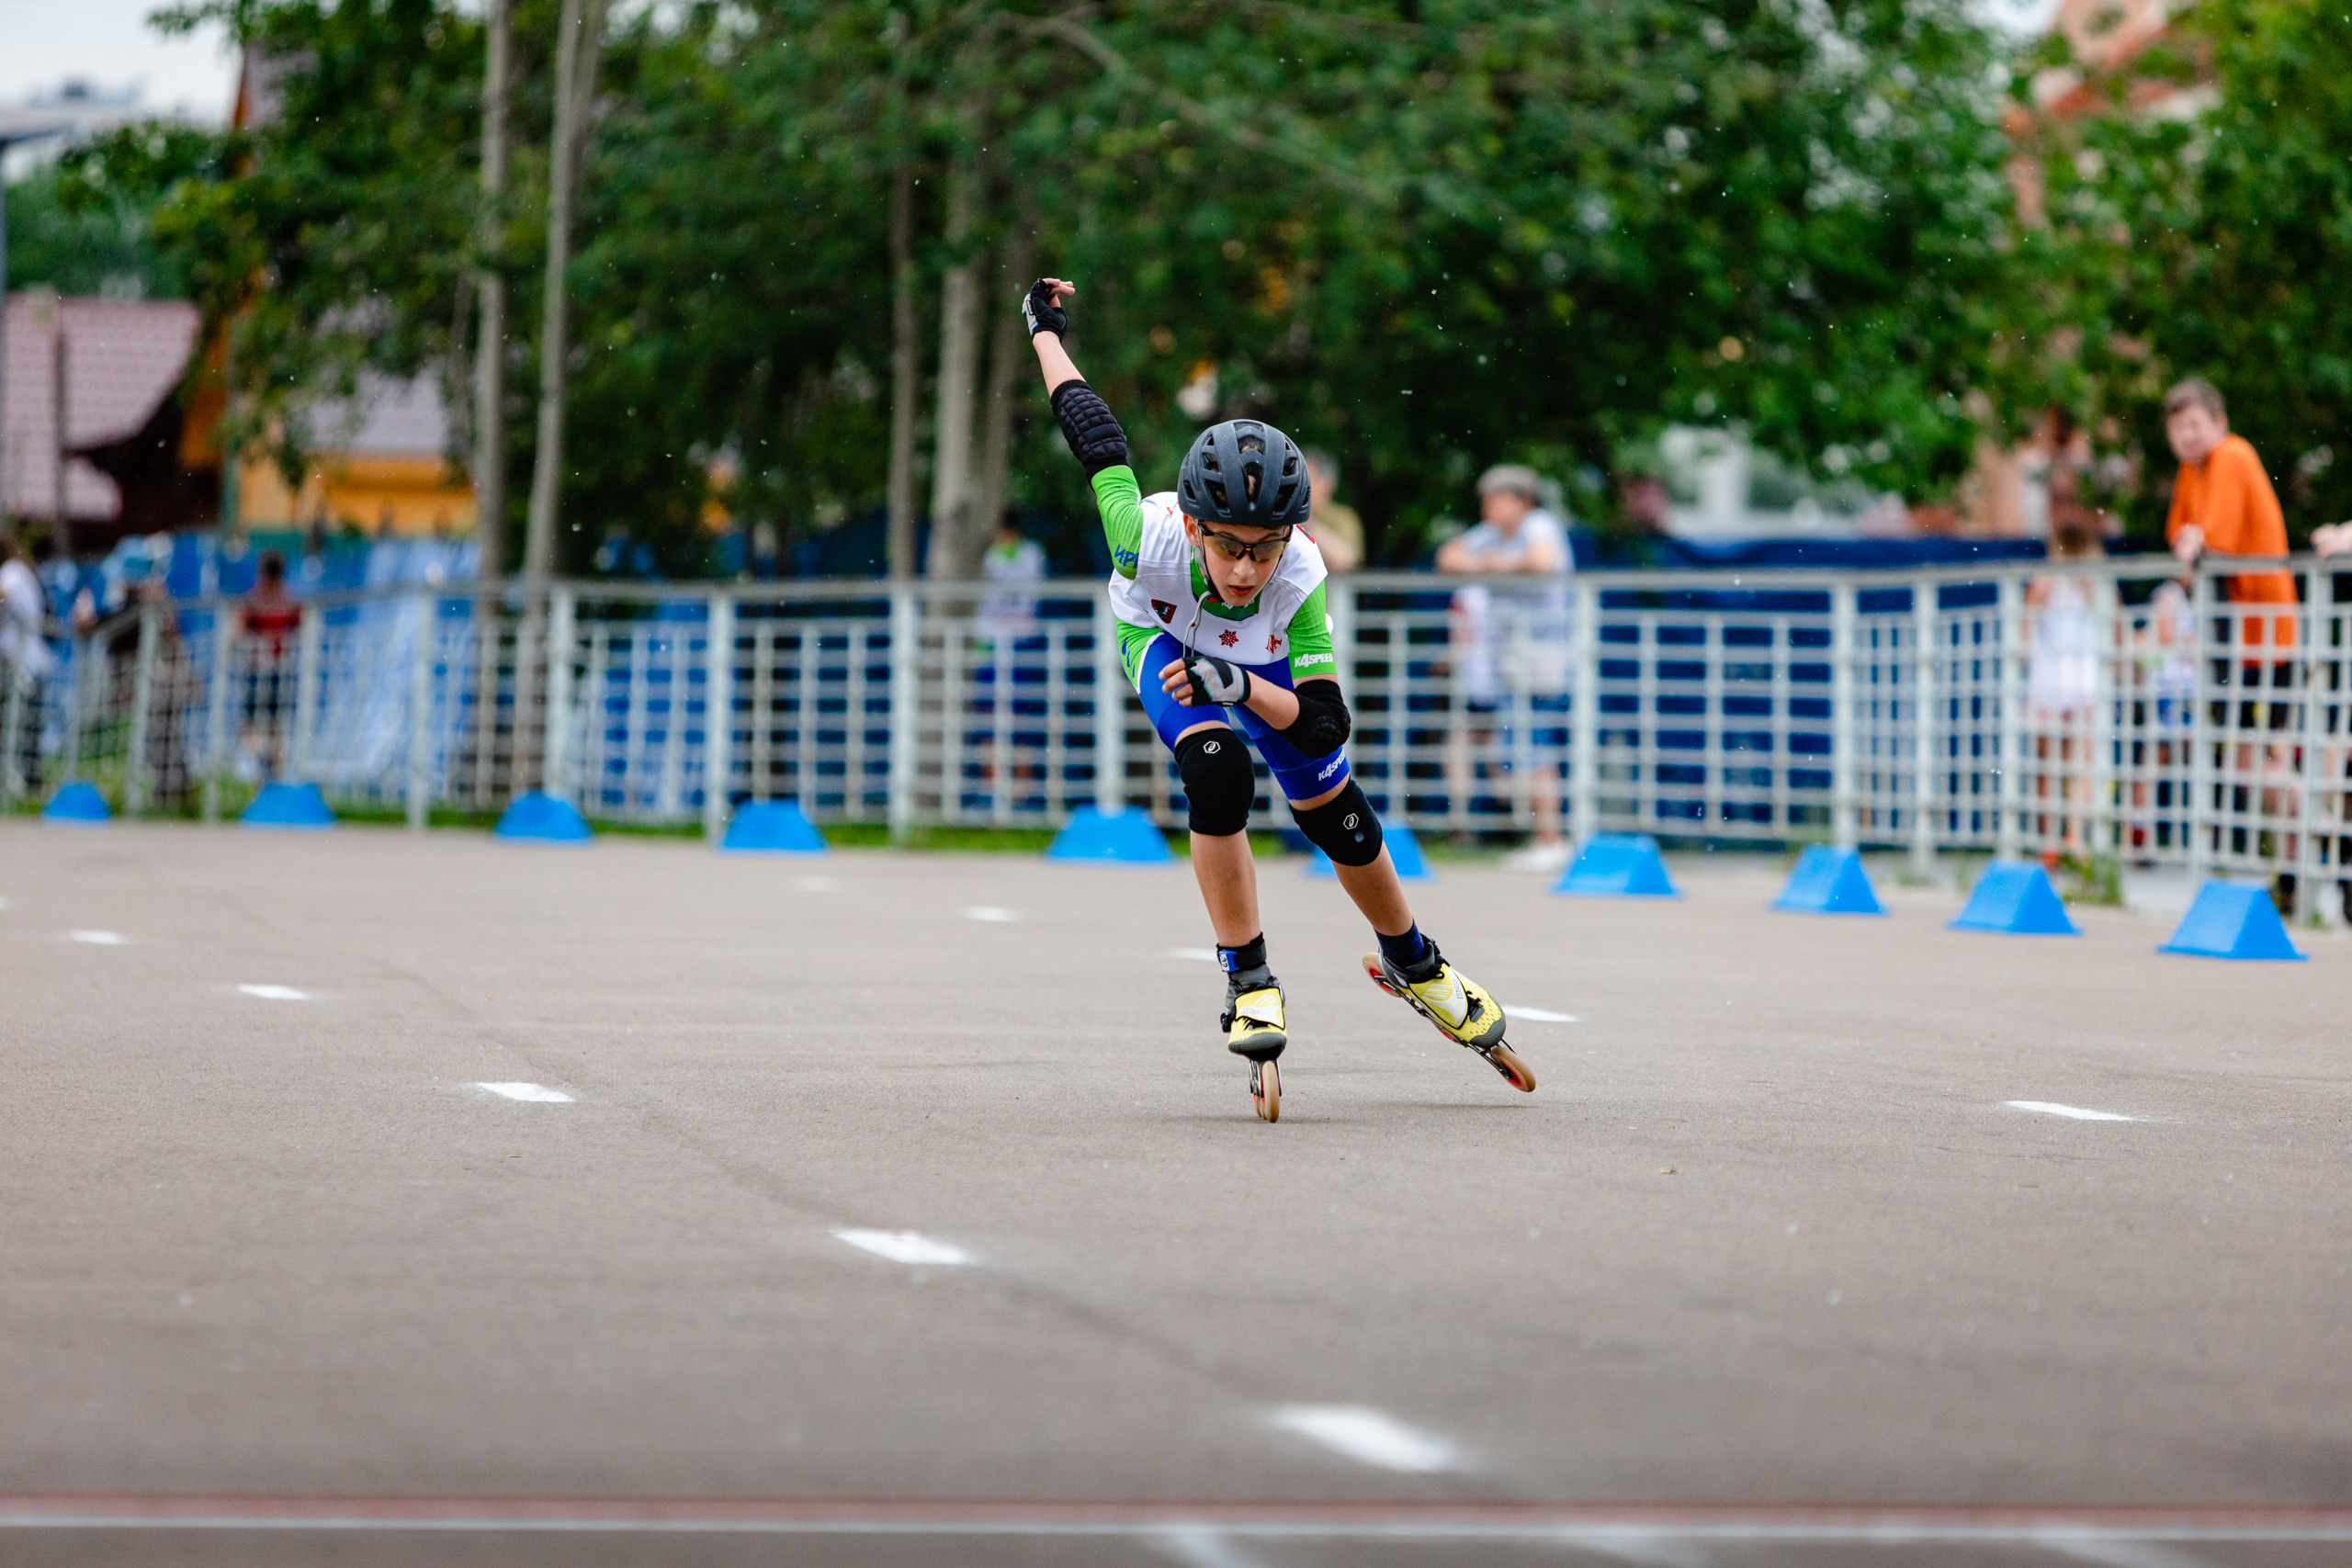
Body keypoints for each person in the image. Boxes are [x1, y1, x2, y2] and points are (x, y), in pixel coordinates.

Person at [1022, 276, 1533, 1121]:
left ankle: (1414, 960)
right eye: (1228, 546)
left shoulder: (1298, 578)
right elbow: (1092, 432)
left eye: (1266, 548)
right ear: (1192, 526)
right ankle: (1247, 976)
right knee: (1219, 774)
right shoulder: (1140, 536)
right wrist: (1045, 330)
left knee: (1333, 805)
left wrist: (1242, 684)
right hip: (1160, 638)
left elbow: (1329, 718)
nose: (1246, 568)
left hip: (1252, 664)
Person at [1435, 463, 1574, 872]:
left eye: (1496, 499)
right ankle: (1542, 836)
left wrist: (1492, 566)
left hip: (1540, 659)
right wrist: (1494, 564)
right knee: (1516, 747)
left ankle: (1550, 838)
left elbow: (1541, 562)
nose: (1488, 508)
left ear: (1521, 501)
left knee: (1535, 746)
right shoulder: (1492, 536)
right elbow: (1448, 557)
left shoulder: (1541, 526)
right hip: (1509, 663)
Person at [241, 550, 303, 780]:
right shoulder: (290, 601)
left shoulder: (254, 600)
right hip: (280, 669)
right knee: (275, 726)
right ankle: (272, 771)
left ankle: (263, 759)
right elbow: (302, 627)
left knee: (248, 726)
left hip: (258, 669)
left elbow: (238, 628)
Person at [1301, 450, 1363, 572]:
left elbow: (1344, 560)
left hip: (1330, 587)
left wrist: (1304, 519)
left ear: (1326, 483)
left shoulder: (1343, 517)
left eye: (1306, 478)